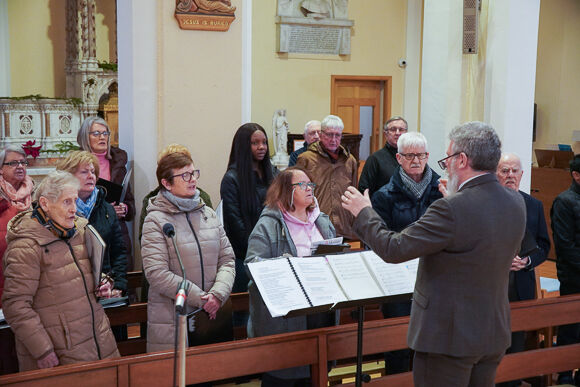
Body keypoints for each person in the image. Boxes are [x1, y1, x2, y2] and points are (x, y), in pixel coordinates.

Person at [341, 121, 526, 387]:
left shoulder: (450, 208)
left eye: (448, 158)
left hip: (448, 338)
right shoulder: (515, 201)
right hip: (492, 333)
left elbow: (393, 248)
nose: (446, 165)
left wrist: (363, 212)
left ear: (462, 160)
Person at [1, 171, 119, 371]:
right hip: (60, 351)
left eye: (75, 200)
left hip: (99, 339)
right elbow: (15, 305)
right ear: (45, 204)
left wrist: (104, 283)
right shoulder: (26, 246)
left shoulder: (80, 230)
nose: (74, 209)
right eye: (66, 202)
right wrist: (42, 350)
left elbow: (88, 273)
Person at [245, 167, 336, 386]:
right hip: (286, 316)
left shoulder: (321, 221)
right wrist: (286, 266)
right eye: (302, 185)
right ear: (286, 190)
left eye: (310, 185)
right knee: (283, 378)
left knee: (315, 374)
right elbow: (251, 265)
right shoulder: (269, 224)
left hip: (320, 309)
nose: (309, 189)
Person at [142, 151, 235, 353]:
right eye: (184, 175)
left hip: (212, 315)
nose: (192, 179)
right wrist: (202, 298)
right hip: (174, 319)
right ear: (166, 183)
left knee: (211, 376)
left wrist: (217, 295)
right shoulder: (155, 220)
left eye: (194, 173)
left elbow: (227, 259)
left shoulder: (208, 214)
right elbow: (156, 273)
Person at [370, 132, 442, 375]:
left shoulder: (442, 191)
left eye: (420, 155)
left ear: (428, 156)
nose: (416, 160)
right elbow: (378, 241)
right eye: (410, 155)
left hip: (435, 277)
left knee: (432, 345)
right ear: (398, 158)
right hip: (397, 280)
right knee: (398, 344)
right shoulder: (384, 196)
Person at [495, 152, 550, 387]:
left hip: (521, 287)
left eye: (514, 171)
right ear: (495, 174)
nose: (510, 175)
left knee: (516, 346)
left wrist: (526, 262)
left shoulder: (534, 205)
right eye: (504, 171)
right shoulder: (486, 203)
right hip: (491, 288)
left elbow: (544, 245)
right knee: (493, 346)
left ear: (522, 174)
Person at [56, 151, 128, 298]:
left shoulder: (106, 208)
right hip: (69, 291)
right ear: (69, 177)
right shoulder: (58, 209)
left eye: (93, 172)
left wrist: (119, 287)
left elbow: (118, 252)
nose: (91, 176)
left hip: (104, 288)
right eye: (84, 172)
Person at [220, 123, 277, 293]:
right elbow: (236, 225)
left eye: (264, 142)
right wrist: (257, 252)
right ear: (244, 146)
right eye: (255, 143)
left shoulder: (273, 174)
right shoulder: (232, 179)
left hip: (272, 254)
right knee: (244, 313)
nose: (262, 147)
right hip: (245, 257)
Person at [77, 116, 136, 270]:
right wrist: (106, 212)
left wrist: (125, 209)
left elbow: (130, 201)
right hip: (88, 230)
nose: (102, 137)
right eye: (96, 133)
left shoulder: (118, 162)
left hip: (117, 232)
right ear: (85, 136)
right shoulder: (75, 164)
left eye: (105, 133)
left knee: (120, 279)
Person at [0, 145, 34, 375]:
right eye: (13, 163)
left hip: (29, 274)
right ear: (1, 169)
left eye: (23, 162)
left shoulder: (36, 194)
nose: (20, 166)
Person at [296, 114, 358, 240]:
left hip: (343, 225)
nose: (333, 139)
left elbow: (354, 191)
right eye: (329, 134)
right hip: (315, 224)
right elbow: (298, 193)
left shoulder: (349, 160)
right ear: (321, 134)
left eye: (337, 135)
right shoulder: (306, 159)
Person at [551, 154, 580, 386]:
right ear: (576, 175)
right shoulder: (564, 201)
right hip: (574, 276)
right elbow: (565, 245)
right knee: (571, 327)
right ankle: (563, 374)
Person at [358, 116, 408, 197]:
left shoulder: (413, 157)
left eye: (401, 129)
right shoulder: (375, 159)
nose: (397, 133)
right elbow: (364, 190)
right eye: (393, 129)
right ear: (386, 134)